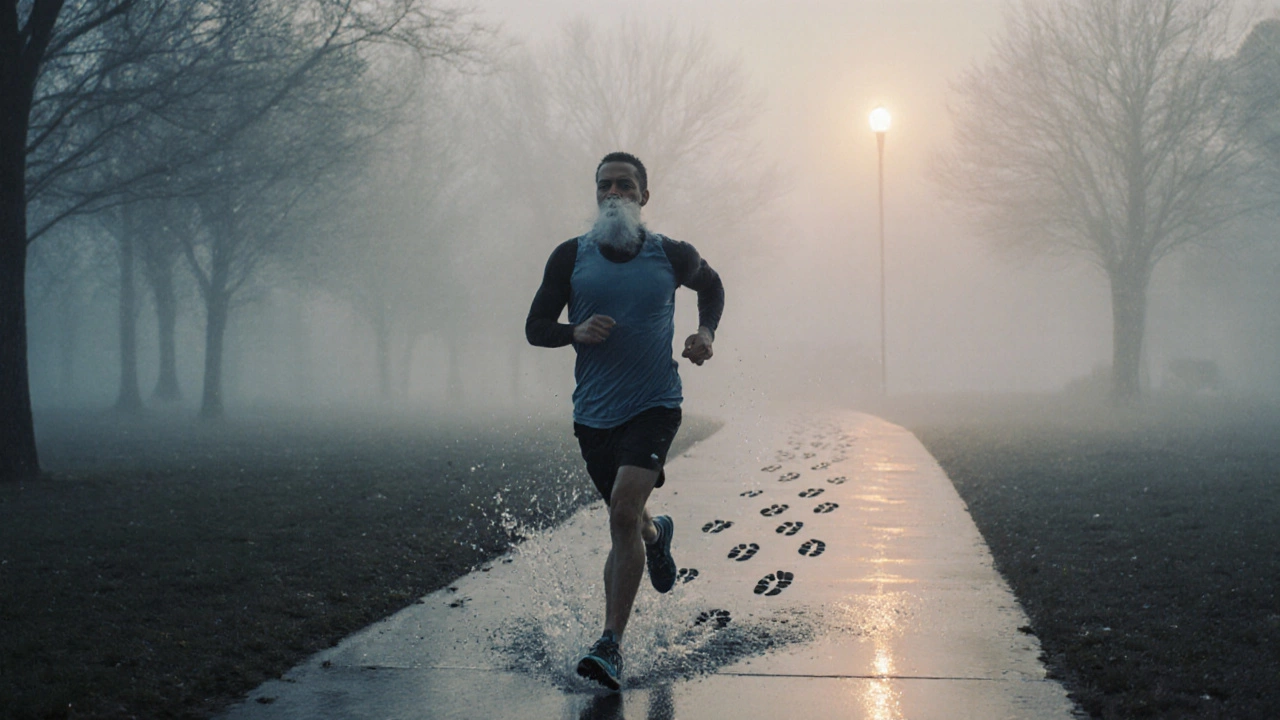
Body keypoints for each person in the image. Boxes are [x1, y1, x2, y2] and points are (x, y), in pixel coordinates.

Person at [525, 152, 724, 691]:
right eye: (604, 185)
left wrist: (705, 334)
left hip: (655, 404)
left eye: (625, 185)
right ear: (596, 194)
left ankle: (610, 644)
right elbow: (535, 326)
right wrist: (574, 331)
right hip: (593, 417)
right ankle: (657, 539)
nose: (614, 193)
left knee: (620, 512)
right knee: (630, 523)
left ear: (644, 196)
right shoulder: (570, 258)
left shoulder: (671, 255)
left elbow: (713, 286)